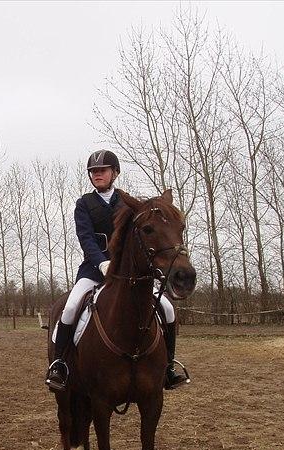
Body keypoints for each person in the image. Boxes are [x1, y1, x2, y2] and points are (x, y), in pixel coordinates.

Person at [44, 149, 189, 392]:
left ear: (115, 173)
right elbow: (86, 238)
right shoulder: (84, 204)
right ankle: (60, 363)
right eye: (93, 172)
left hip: (129, 272)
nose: (97, 175)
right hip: (93, 269)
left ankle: (169, 365)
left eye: (102, 171)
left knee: (166, 308)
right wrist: (101, 263)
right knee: (70, 307)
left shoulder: (128, 203)